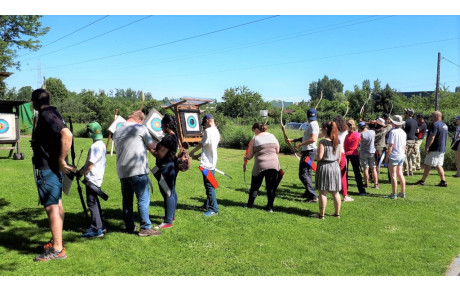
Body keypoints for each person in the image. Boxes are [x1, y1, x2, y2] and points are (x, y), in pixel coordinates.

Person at [31, 88, 73, 261]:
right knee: (57, 204)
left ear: (34, 102)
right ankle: (57, 242)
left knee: (52, 207)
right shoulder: (53, 112)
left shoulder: (47, 115)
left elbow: (66, 134)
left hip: (48, 168)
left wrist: (62, 160)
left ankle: (57, 250)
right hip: (52, 168)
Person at [112, 110, 162, 237]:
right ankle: (145, 227)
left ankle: (129, 226)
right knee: (143, 198)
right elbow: (153, 146)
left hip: (122, 170)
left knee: (127, 199)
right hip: (137, 169)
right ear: (140, 120)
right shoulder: (140, 128)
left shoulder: (117, 130)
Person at [76, 121, 107, 238]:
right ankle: (100, 225)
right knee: (95, 203)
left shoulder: (95, 146)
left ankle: (96, 230)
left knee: (92, 203)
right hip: (96, 178)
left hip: (92, 179)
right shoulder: (102, 144)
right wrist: (80, 170)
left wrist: (81, 173)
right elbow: (89, 163)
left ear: (90, 133)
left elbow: (90, 166)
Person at [243, 123, 281, 212]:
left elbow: (250, 155)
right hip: (274, 165)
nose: (254, 132)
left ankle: (250, 204)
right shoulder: (272, 136)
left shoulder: (255, 139)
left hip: (260, 165)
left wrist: (246, 158)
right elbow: (277, 150)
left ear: (256, 129)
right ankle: (270, 207)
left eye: (253, 130)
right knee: (271, 187)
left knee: (255, 186)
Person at [189, 114, 221, 216]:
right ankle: (207, 204)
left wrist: (191, 153)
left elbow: (201, 144)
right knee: (209, 185)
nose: (204, 126)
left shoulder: (208, 131)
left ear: (207, 120)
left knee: (210, 186)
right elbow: (208, 146)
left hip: (207, 164)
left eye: (204, 124)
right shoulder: (216, 130)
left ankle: (213, 209)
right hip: (211, 163)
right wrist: (198, 155)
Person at [151, 115, 179, 229]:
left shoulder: (168, 138)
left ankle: (168, 221)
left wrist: (149, 149)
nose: (161, 128)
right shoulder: (173, 136)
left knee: (167, 193)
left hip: (166, 167)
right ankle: (171, 215)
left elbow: (160, 154)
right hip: (170, 166)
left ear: (167, 125)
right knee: (171, 190)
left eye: (162, 125)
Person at [288, 108, 319, 203]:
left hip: (309, 151)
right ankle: (308, 192)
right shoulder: (312, 124)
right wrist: (294, 140)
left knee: (303, 174)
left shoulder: (313, 124)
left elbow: (313, 139)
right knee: (308, 172)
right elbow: (306, 137)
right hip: (309, 151)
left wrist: (300, 145)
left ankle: (313, 195)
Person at [312, 121, 342, 219]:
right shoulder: (338, 141)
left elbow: (320, 156)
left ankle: (321, 215)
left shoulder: (323, 142)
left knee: (323, 192)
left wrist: (313, 159)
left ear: (326, 129)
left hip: (324, 167)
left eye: (321, 128)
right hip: (335, 166)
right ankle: (337, 214)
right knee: (335, 192)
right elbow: (339, 157)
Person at [415, 111, 449, 187]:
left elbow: (432, 137)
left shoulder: (435, 125)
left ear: (437, 116)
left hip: (434, 148)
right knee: (433, 164)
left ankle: (440, 181)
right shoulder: (445, 125)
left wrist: (427, 146)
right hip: (441, 148)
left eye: (432, 116)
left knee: (432, 165)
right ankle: (441, 181)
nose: (431, 117)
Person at [384, 115, 407, 199]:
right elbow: (404, 146)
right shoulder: (403, 133)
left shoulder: (393, 132)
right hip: (401, 155)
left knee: (393, 175)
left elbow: (390, 145)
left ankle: (394, 194)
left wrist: (387, 157)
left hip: (394, 155)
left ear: (394, 123)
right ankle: (402, 192)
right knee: (400, 174)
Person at [344, 119, 367, 195]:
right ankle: (361, 190)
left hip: (346, 154)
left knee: (345, 173)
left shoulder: (345, 135)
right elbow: (358, 144)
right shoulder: (358, 134)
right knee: (357, 173)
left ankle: (344, 189)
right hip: (354, 154)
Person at [333, 115, 353, 202]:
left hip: (333, 152)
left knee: (333, 174)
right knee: (342, 175)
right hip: (341, 152)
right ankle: (344, 195)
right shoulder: (345, 130)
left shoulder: (333, 130)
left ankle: (332, 191)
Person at [358, 121, 379, 189]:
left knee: (365, 169)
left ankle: (366, 183)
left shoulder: (361, 134)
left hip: (364, 152)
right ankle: (376, 184)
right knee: (373, 168)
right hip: (372, 152)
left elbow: (359, 142)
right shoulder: (372, 132)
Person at [402, 108, 418, 176]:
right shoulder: (415, 121)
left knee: (405, 155)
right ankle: (411, 170)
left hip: (407, 140)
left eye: (405, 113)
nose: (404, 114)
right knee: (409, 156)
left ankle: (406, 171)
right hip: (413, 140)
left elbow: (402, 131)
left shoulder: (406, 121)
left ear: (408, 114)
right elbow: (417, 131)